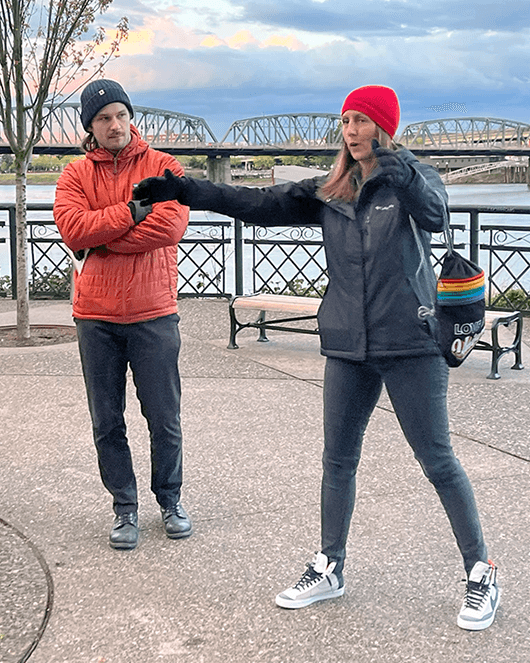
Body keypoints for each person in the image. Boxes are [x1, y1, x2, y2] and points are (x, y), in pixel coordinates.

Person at [133, 85, 499, 630]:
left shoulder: (411, 177)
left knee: (437, 460)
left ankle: (481, 573)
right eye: (346, 120)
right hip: (349, 346)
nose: (352, 131)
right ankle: (330, 567)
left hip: (411, 343)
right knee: (337, 461)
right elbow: (257, 204)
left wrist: (403, 171)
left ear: (384, 127)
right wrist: (185, 190)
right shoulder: (331, 190)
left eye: (363, 121)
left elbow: (437, 216)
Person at [53, 79, 192, 551]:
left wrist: (104, 233)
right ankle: (124, 507)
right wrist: (134, 212)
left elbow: (170, 225)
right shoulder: (74, 174)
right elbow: (72, 228)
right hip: (96, 316)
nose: (114, 125)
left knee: (164, 416)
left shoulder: (162, 167)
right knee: (106, 420)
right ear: (90, 128)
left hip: (154, 311)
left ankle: (170, 499)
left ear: (131, 116)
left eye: (120, 114)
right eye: (103, 118)